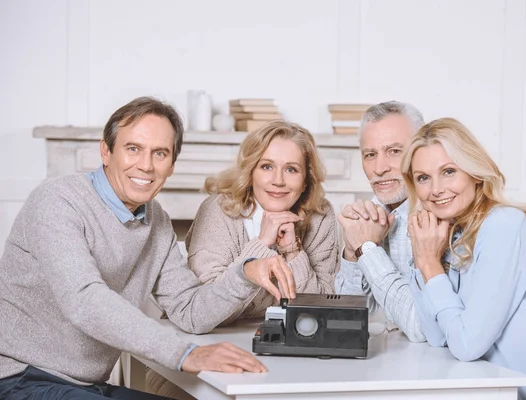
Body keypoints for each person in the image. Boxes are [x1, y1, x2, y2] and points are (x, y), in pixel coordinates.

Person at [0, 97, 302, 399]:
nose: (145, 165)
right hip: (21, 377)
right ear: (106, 151)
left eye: (160, 153)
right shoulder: (57, 201)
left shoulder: (156, 221)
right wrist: (184, 354)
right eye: (133, 149)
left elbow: (189, 311)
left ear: (171, 165)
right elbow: (84, 300)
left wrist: (245, 272)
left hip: (86, 385)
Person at [401, 117, 526, 399]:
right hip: (499, 393)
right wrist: (423, 257)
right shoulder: (454, 234)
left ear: (475, 172)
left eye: (448, 171)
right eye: (423, 177)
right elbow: (437, 337)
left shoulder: (503, 225)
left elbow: (467, 345)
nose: (435, 189)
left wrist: (429, 265)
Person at [146, 119, 340, 399]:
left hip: (281, 359)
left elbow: (321, 310)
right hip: (198, 363)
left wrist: (294, 251)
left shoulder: (319, 216)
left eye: (291, 169)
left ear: (306, 179)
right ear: (250, 171)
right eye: (266, 166)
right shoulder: (219, 211)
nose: (278, 180)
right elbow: (204, 313)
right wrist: (261, 245)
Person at [334, 101, 427, 342]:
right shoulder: (367, 215)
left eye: (395, 151)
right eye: (370, 155)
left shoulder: (442, 215)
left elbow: (423, 327)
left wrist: (367, 248)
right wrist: (353, 250)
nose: (379, 168)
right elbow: (345, 320)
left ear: (422, 151)